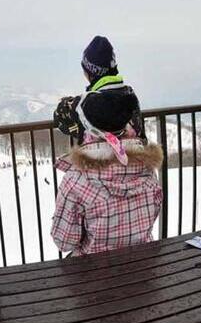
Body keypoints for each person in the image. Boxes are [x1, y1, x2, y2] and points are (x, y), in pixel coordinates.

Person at [50, 87, 163, 255]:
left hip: (97, 273)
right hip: (142, 264)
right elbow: (152, 215)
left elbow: (64, 241)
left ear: (87, 127)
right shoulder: (147, 169)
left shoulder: (77, 181)